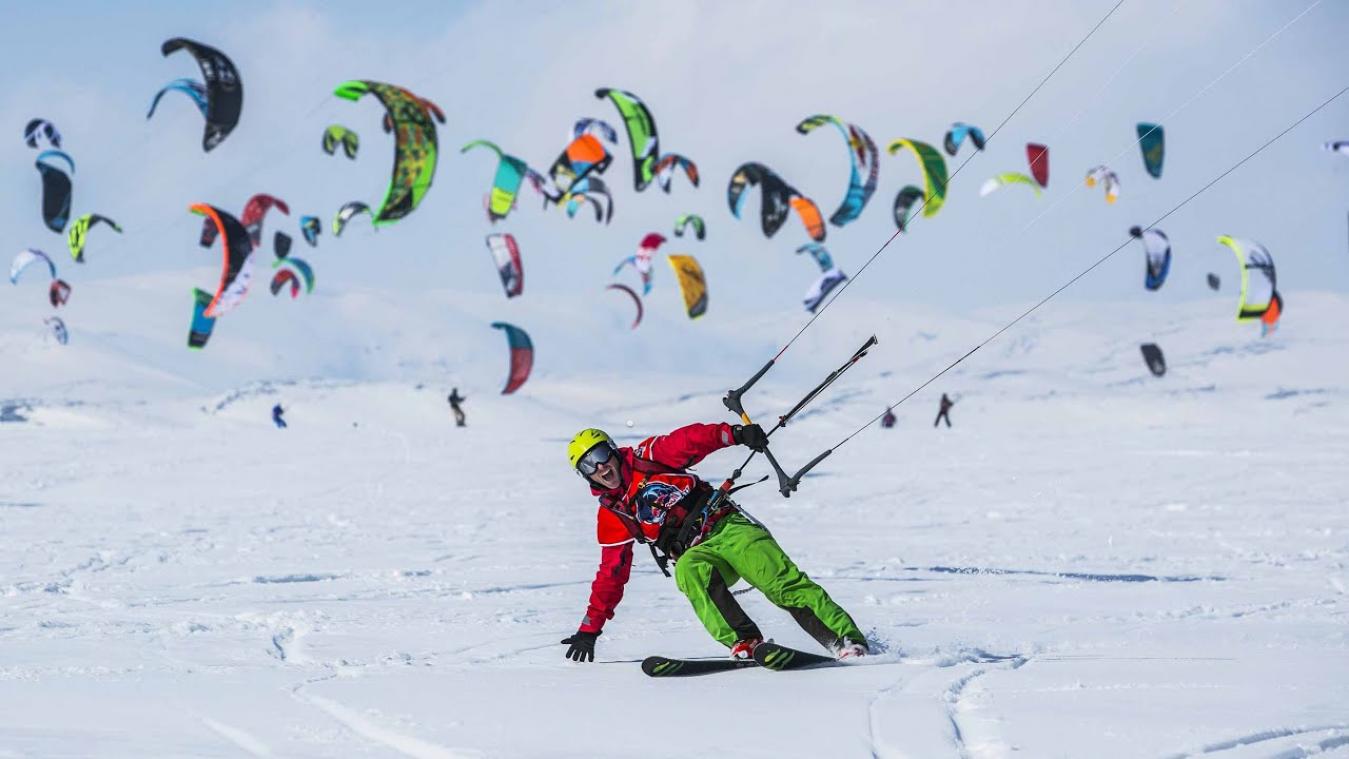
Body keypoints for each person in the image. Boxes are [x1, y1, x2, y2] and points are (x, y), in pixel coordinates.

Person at [559, 424, 868, 664]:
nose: (599, 468)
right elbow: (611, 575)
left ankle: (844, 640)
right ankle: (745, 640)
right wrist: (590, 628)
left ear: (612, 451)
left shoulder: (648, 456)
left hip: (727, 528)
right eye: (588, 466)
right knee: (688, 571)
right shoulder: (613, 515)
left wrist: (733, 434)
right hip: (697, 552)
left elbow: (691, 439)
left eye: (600, 456)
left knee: (777, 581)